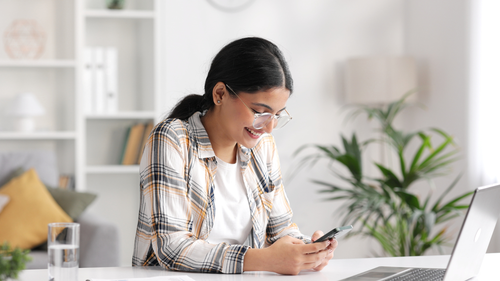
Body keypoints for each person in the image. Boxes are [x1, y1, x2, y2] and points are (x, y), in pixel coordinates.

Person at [132, 37, 338, 275]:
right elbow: (172, 248)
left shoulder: (263, 147)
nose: (269, 127)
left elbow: (280, 230)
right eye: (260, 112)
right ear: (220, 94)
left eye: (277, 115)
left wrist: (307, 251)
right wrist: (266, 260)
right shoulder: (172, 139)